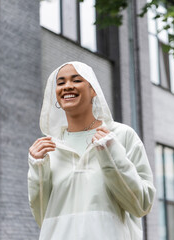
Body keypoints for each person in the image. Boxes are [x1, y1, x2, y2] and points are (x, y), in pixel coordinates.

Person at [27, 61, 155, 240]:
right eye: (61, 82)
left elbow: (141, 204)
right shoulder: (49, 149)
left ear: (93, 89)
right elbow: (45, 217)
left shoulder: (122, 136)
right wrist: (37, 168)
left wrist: (111, 153)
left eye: (76, 80)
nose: (67, 86)